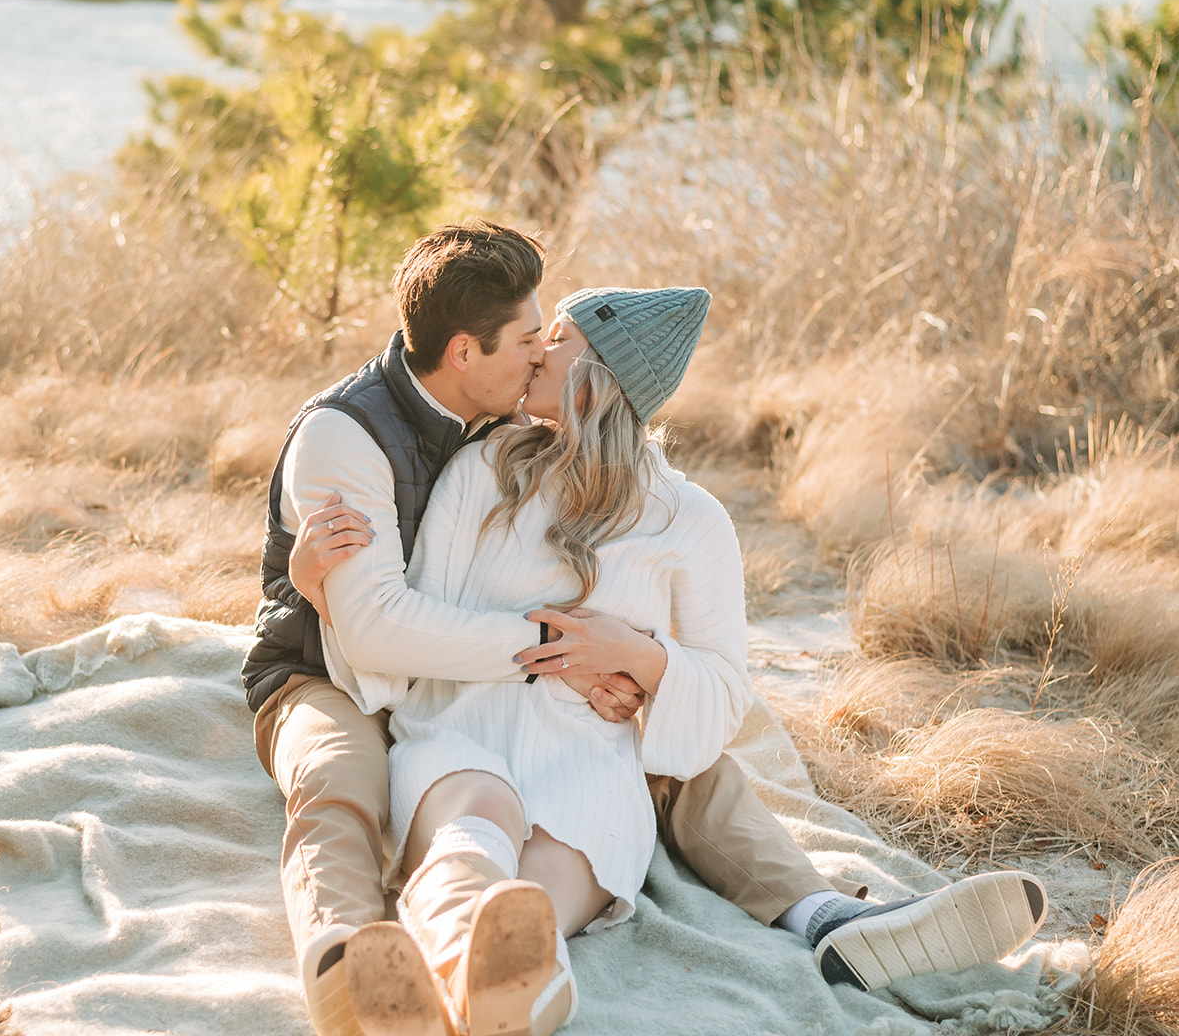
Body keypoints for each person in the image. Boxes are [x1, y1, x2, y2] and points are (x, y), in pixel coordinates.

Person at [241, 221, 1047, 1036]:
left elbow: (720, 688)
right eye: (530, 336)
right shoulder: (475, 467)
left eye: (551, 340)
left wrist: (644, 661)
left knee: (569, 847)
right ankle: (382, 966)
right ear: (464, 351)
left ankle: (532, 973)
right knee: (463, 818)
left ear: (595, 375)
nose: (534, 353)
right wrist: (325, 586)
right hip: (448, 714)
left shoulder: (689, 519)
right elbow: (401, 621)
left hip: (589, 747)